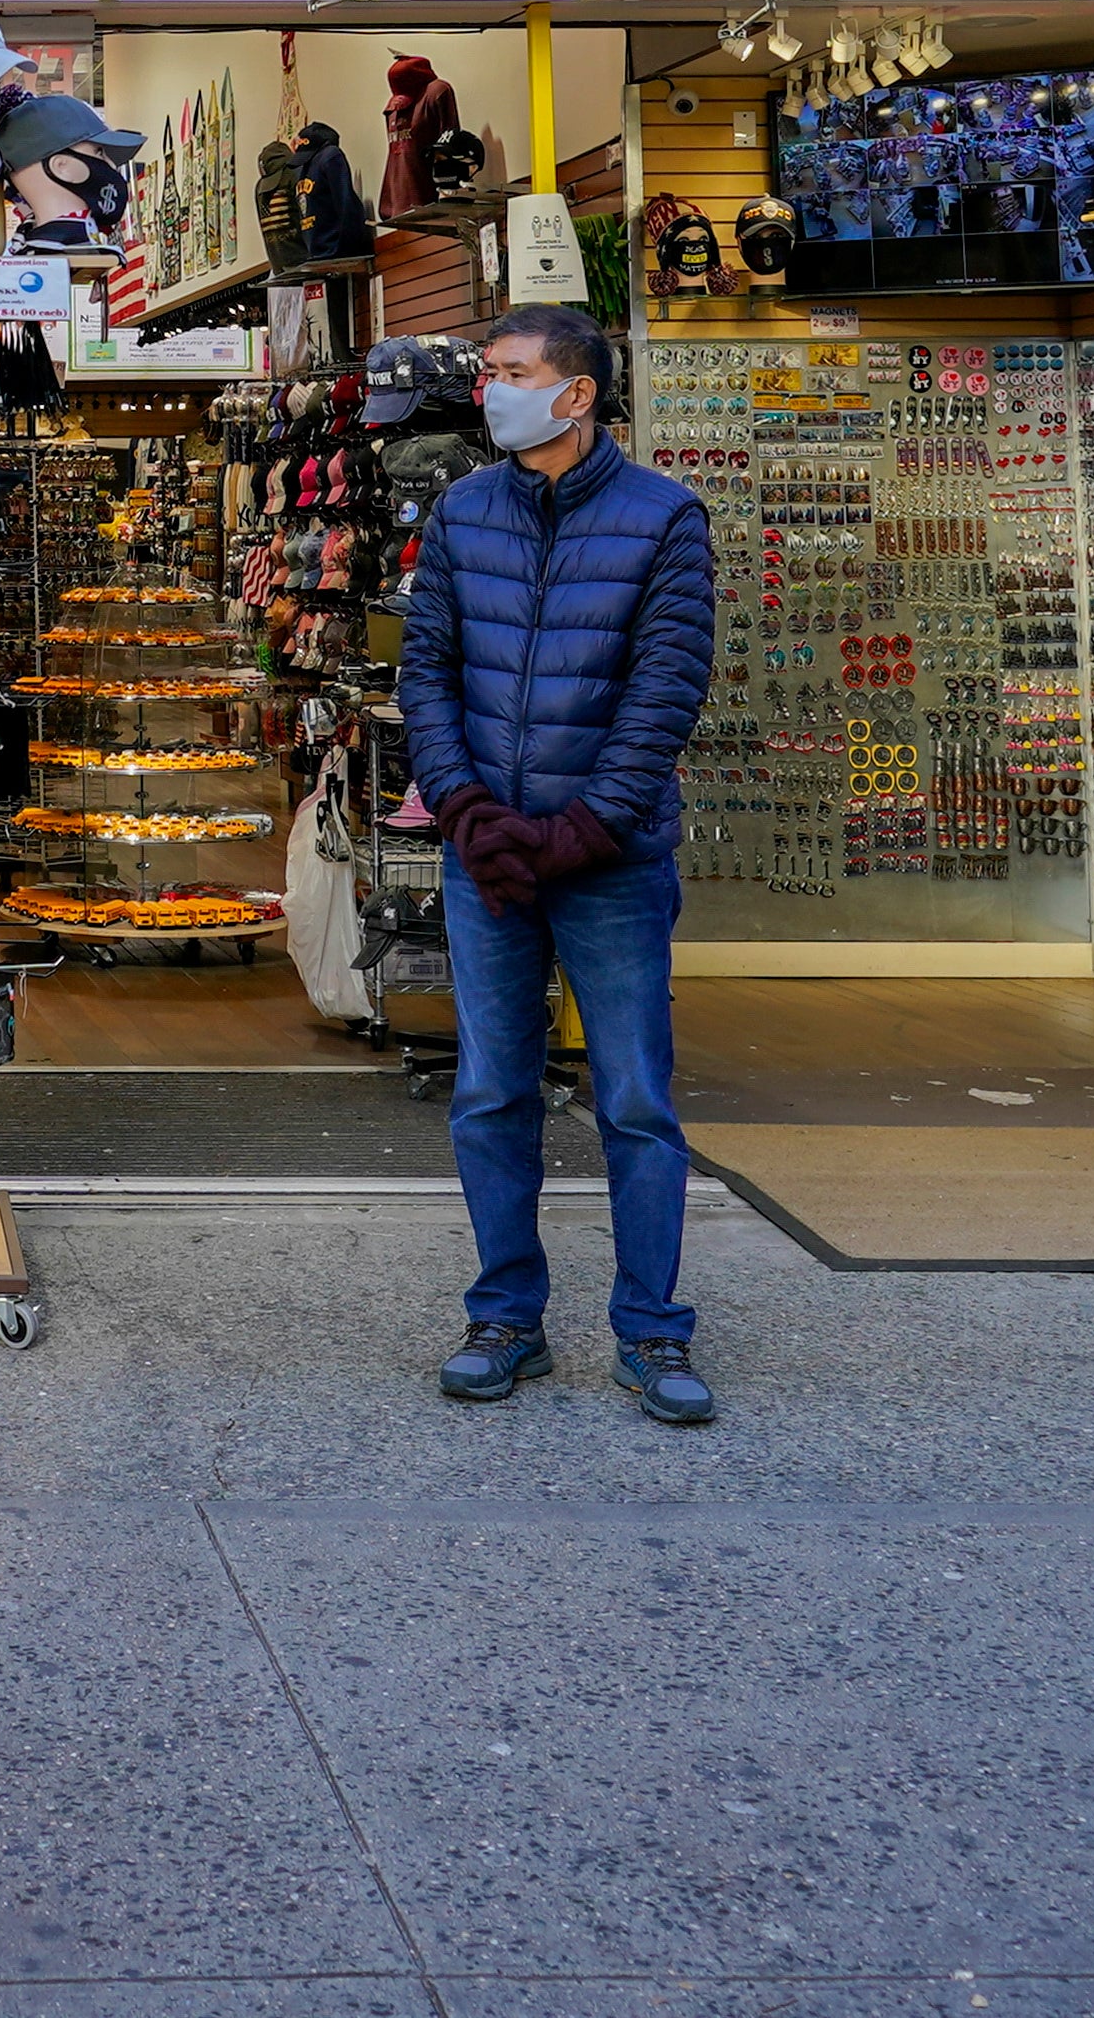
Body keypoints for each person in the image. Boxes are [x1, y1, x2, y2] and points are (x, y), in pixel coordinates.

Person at [388, 303, 719, 1423]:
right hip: (486, 856)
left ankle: (651, 1332)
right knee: (488, 1092)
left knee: (632, 1100)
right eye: (484, 371)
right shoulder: (461, 509)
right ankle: (504, 1317)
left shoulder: (663, 517)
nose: (489, 389)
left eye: (509, 372)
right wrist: (468, 810)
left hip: (608, 862)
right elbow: (422, 672)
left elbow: (665, 689)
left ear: (573, 393)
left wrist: (582, 827)